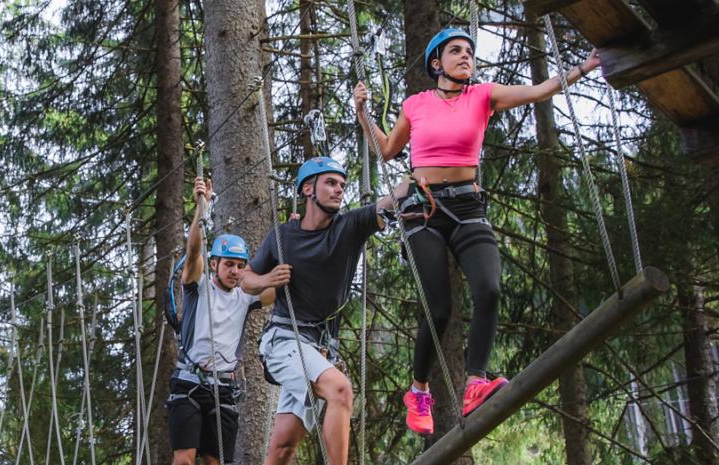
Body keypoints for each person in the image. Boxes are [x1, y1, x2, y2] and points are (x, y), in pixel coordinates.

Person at [352, 27, 600, 435]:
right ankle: (418, 390)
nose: (465, 56)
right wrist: (363, 113)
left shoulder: (483, 96)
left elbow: (540, 90)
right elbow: (388, 150)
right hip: (423, 209)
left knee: (489, 288)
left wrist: (582, 69)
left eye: (469, 51)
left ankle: (475, 383)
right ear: (437, 64)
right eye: (455, 51)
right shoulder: (416, 104)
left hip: (467, 205)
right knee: (439, 309)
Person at [244, 157, 399, 465]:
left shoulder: (349, 227)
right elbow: (246, 279)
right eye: (330, 183)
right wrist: (267, 279)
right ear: (307, 189)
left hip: (318, 349)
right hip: (284, 341)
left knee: (282, 448)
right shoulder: (282, 236)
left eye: (342, 185)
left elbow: (392, 201)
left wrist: (425, 174)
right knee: (340, 389)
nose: (339, 190)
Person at [165, 177, 279, 465]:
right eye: (229, 264)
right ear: (214, 263)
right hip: (189, 383)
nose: (235, 272)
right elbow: (193, 253)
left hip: (224, 388)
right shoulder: (198, 285)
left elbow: (279, 290)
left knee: (217, 462)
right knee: (184, 460)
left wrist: (291, 241)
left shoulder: (245, 297)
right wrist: (202, 209)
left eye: (240, 266)